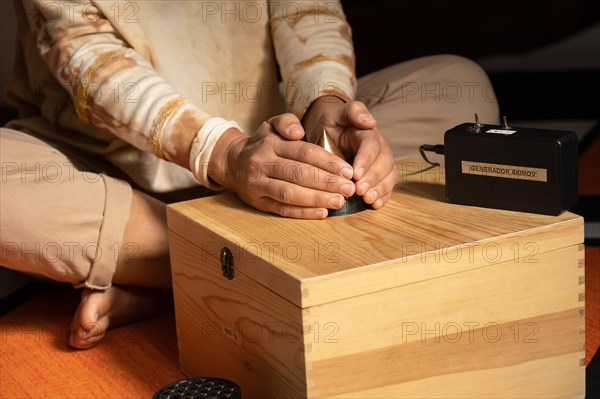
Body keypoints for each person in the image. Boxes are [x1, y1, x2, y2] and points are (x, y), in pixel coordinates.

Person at [0, 0, 499, 349]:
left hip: (279, 151)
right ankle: (236, 265)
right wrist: (228, 156)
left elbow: (306, 12)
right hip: (111, 171)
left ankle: (173, 276)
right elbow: (91, 64)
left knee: (457, 81)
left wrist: (328, 109)